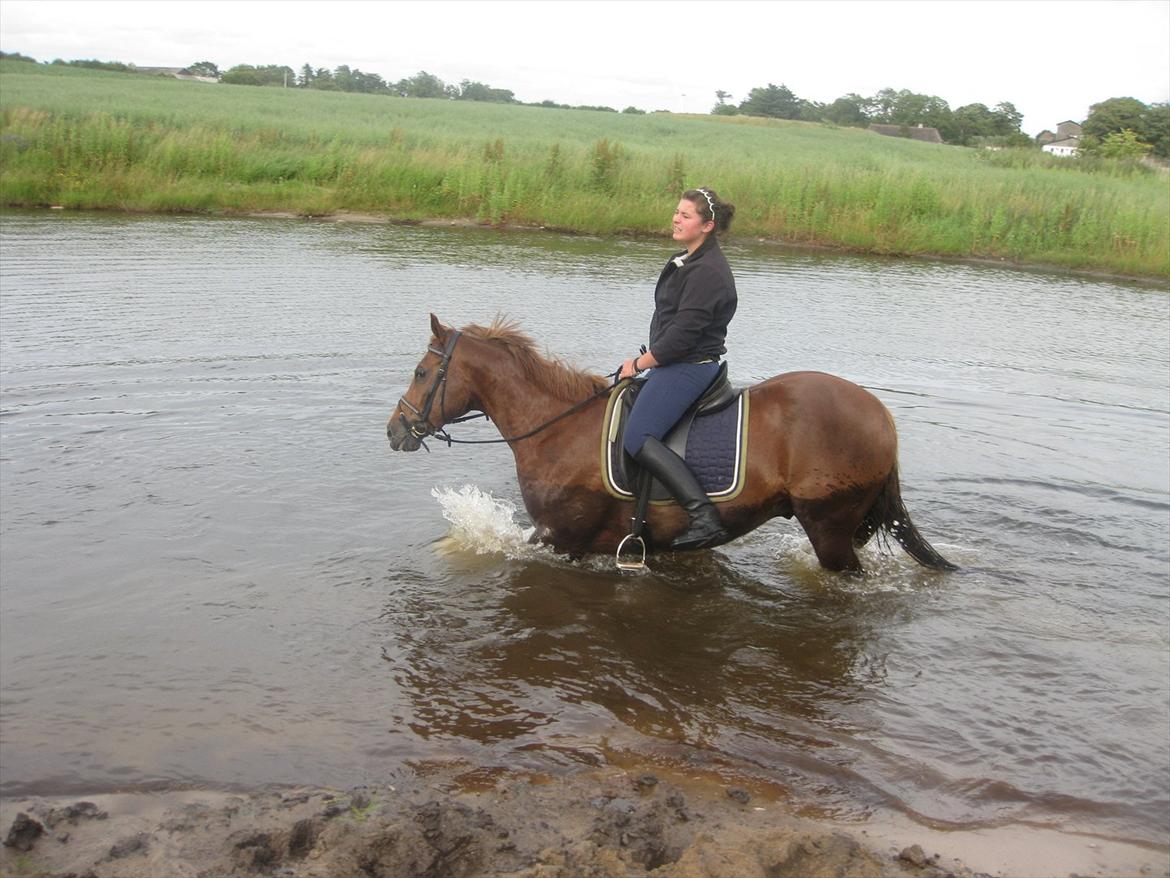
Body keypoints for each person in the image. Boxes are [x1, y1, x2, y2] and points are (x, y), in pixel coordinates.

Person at [618, 187, 737, 550]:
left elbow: (680, 340)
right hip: (672, 361)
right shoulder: (686, 259)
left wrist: (638, 364)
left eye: (686, 215)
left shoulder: (708, 273)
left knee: (637, 437)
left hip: (689, 366)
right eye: (677, 211)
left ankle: (703, 516)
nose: (676, 218)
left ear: (708, 225)